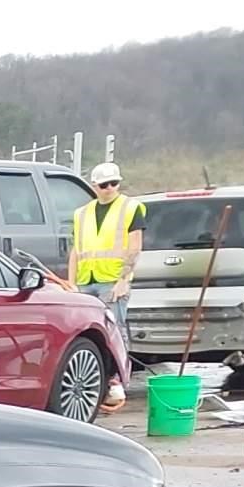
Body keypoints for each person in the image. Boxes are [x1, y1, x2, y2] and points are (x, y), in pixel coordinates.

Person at [66, 163, 145, 412]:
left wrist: (123, 280)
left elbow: (135, 246)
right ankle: (99, 382)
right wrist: (71, 283)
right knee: (87, 333)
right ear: (95, 187)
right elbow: (76, 250)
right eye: (104, 185)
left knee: (116, 332)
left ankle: (117, 381)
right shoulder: (82, 214)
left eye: (114, 183)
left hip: (112, 282)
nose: (110, 188)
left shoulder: (131, 208)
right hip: (86, 281)